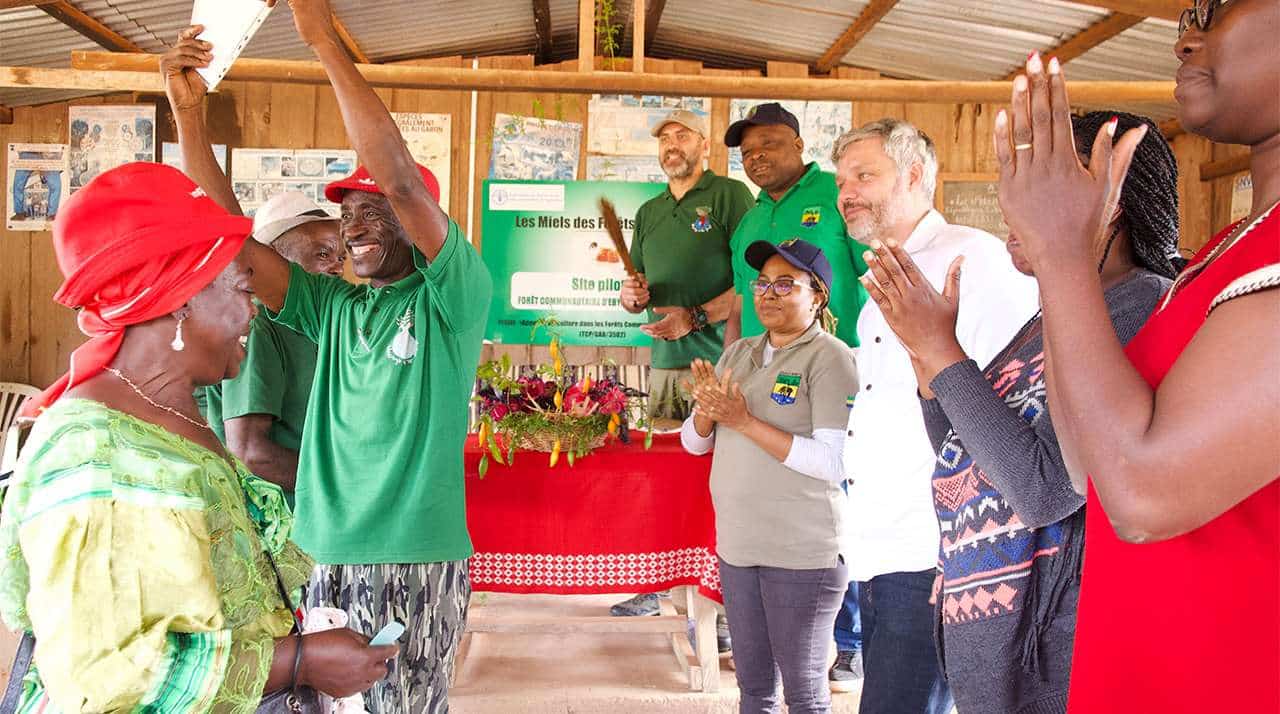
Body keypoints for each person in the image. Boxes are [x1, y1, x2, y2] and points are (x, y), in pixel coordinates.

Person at [171, 4, 493, 710]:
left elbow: (401, 178)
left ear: (415, 225)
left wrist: (320, 37)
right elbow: (230, 238)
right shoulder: (335, 306)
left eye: (369, 212)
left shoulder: (453, 297)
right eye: (347, 215)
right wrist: (189, 121)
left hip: (412, 556)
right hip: (319, 553)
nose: (353, 227)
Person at [0, 162, 395, 712]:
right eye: (239, 288)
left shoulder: (164, 414)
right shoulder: (99, 456)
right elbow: (106, 674)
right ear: (179, 298)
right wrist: (298, 661)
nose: (252, 311)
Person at [993, 5, 1279, 708]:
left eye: (1217, 9)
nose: (1184, 36)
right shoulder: (1225, 252)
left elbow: (1143, 497)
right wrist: (1075, 262)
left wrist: (1061, 253)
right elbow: (1086, 463)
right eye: (1187, 14)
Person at [857, 111, 1180, 712]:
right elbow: (960, 449)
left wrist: (942, 350)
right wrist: (926, 362)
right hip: (996, 634)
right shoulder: (1053, 316)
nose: (1011, 205)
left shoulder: (1140, 308)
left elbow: (1046, 488)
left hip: (1055, 651)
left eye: (1038, 182)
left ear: (1110, 195)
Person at [833, 117, 1039, 714]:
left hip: (936, 549)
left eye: (865, 175)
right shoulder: (886, 271)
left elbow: (1015, 401)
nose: (847, 192)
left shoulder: (973, 259)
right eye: (842, 180)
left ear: (916, 174)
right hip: (879, 546)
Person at [723, 101, 871, 688]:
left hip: (848, 363)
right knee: (778, 490)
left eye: (767, 145)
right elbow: (742, 301)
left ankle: (850, 642)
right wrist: (730, 366)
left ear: (797, 142)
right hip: (769, 365)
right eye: (746, 151)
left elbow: (875, 271)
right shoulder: (748, 222)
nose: (756, 157)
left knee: (839, 496)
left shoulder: (837, 194)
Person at [682, 238, 858, 714]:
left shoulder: (831, 358)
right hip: (739, 549)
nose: (769, 293)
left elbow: (834, 462)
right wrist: (706, 411)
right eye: (762, 283)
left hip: (802, 554)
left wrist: (742, 421)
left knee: (803, 693)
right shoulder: (739, 352)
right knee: (754, 690)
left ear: (817, 296)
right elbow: (694, 443)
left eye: (786, 284)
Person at [612, 109, 753, 628]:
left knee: (724, 476)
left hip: (724, 362)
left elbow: (753, 282)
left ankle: (721, 604)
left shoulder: (730, 196)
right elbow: (639, 292)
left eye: (682, 136)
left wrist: (693, 317)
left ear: (704, 146)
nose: (672, 145)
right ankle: (660, 585)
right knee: (673, 474)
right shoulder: (649, 211)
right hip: (669, 368)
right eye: (665, 138)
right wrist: (631, 297)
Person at [201, 189, 346, 507]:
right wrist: (346, 486)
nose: (337, 266)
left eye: (341, 257)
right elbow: (251, 453)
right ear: (274, 260)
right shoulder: (260, 324)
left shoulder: (321, 326)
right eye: (322, 254)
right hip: (280, 521)